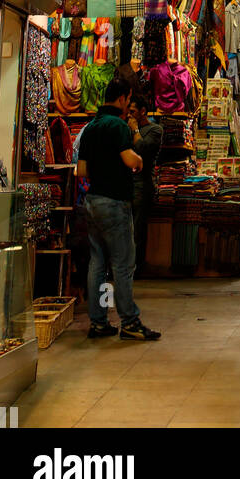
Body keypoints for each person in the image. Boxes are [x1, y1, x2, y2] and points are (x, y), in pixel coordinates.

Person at [77, 76, 161, 341]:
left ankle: (99, 322)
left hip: (93, 201)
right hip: (115, 201)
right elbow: (129, 159)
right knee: (123, 264)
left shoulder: (91, 127)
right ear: (124, 98)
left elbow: (81, 171)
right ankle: (130, 322)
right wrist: (136, 160)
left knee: (98, 263)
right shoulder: (119, 126)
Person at [128, 96, 163, 275]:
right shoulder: (125, 129)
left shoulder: (155, 130)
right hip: (127, 183)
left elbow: (142, 150)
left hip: (142, 184)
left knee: (138, 228)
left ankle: (136, 268)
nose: (130, 115)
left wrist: (134, 130)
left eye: (133, 111)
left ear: (143, 111)